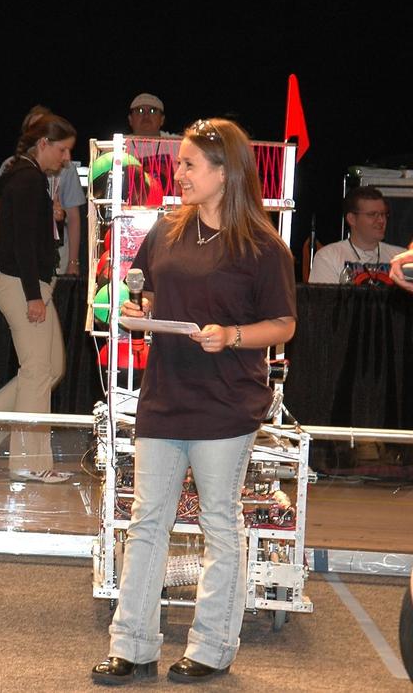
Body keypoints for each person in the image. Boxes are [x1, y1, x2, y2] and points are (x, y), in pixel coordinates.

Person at [91, 118, 297, 686]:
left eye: (188, 164)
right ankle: (131, 645)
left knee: (218, 526)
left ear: (225, 173)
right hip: (166, 396)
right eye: (178, 162)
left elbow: (283, 324)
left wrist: (230, 335)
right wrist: (138, 312)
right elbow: (148, 289)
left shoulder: (264, 246)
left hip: (227, 404)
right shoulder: (168, 229)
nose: (176, 172)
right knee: (146, 521)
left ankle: (211, 648)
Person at [0, 114, 77, 483]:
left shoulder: (28, 179)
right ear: (43, 144)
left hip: (25, 283)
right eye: (63, 150)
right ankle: (30, 461)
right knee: (37, 370)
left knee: (51, 367)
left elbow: (33, 238)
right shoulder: (29, 180)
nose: (66, 159)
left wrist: (56, 220)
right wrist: (34, 295)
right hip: (22, 284)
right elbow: (20, 246)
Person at [0, 105, 83, 275]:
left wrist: (73, 261)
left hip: (50, 256)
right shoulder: (19, 170)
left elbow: (73, 216)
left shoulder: (65, 169)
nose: (66, 157)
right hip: (20, 263)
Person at [309, 185, 403, 284]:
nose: (381, 220)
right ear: (352, 219)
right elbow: (324, 298)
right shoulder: (328, 257)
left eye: (383, 214)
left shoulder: (401, 257)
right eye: (372, 214)